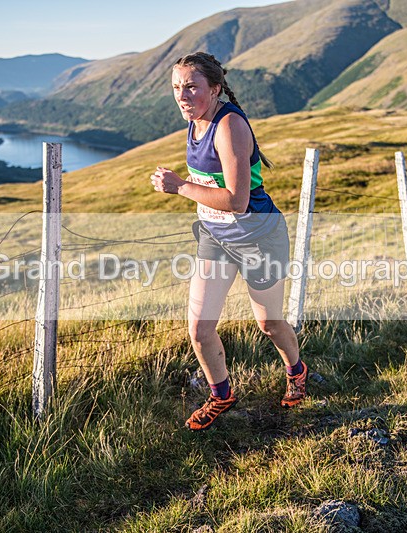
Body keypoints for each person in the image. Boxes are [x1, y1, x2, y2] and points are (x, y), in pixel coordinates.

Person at [149, 52, 307, 431]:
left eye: (191, 87)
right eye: (176, 88)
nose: (182, 96)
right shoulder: (195, 121)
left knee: (268, 322)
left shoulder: (229, 125)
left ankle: (296, 371)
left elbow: (236, 200)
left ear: (215, 88)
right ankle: (221, 395)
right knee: (200, 329)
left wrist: (180, 186)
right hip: (215, 238)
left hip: (258, 236)